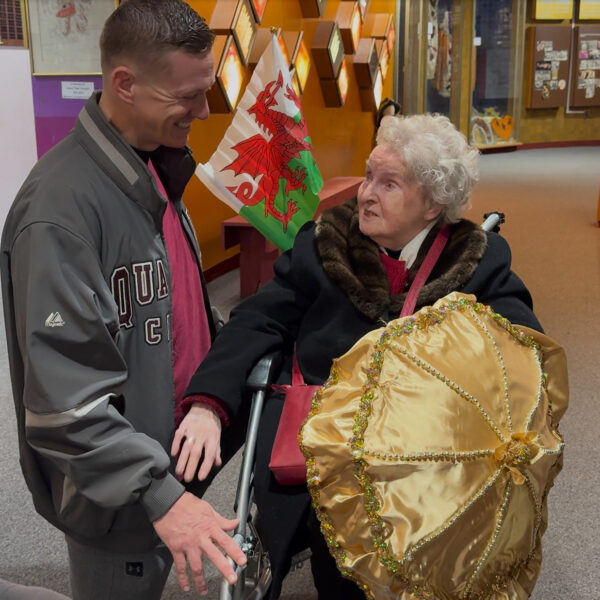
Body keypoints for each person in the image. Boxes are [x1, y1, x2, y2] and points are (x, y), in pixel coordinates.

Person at [182, 113, 543, 599]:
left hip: (426, 455)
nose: (365, 193)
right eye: (369, 175)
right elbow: (257, 319)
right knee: (342, 563)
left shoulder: (476, 262)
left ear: (433, 202)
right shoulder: (324, 244)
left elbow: (522, 352)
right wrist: (208, 404)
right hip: (326, 443)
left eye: (388, 183)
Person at [0, 1, 247, 598]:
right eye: (187, 97)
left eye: (206, 90)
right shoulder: (60, 213)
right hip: (117, 499)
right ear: (125, 84)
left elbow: (173, 307)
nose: (204, 110)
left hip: (164, 453)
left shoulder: (153, 167)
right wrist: (160, 492)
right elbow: (64, 405)